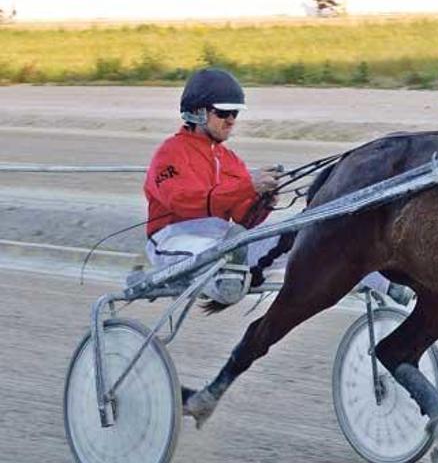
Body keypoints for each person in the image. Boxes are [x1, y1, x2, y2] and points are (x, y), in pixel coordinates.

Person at [143, 68, 411, 306]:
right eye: (224, 112)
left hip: (227, 239)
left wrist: (263, 200)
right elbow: (183, 201)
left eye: (235, 113)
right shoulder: (171, 152)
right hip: (174, 239)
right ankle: (228, 278)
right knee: (219, 256)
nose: (231, 120)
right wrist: (248, 186)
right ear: (199, 113)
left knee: (314, 234)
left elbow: (244, 219)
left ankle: (388, 285)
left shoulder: (229, 160)